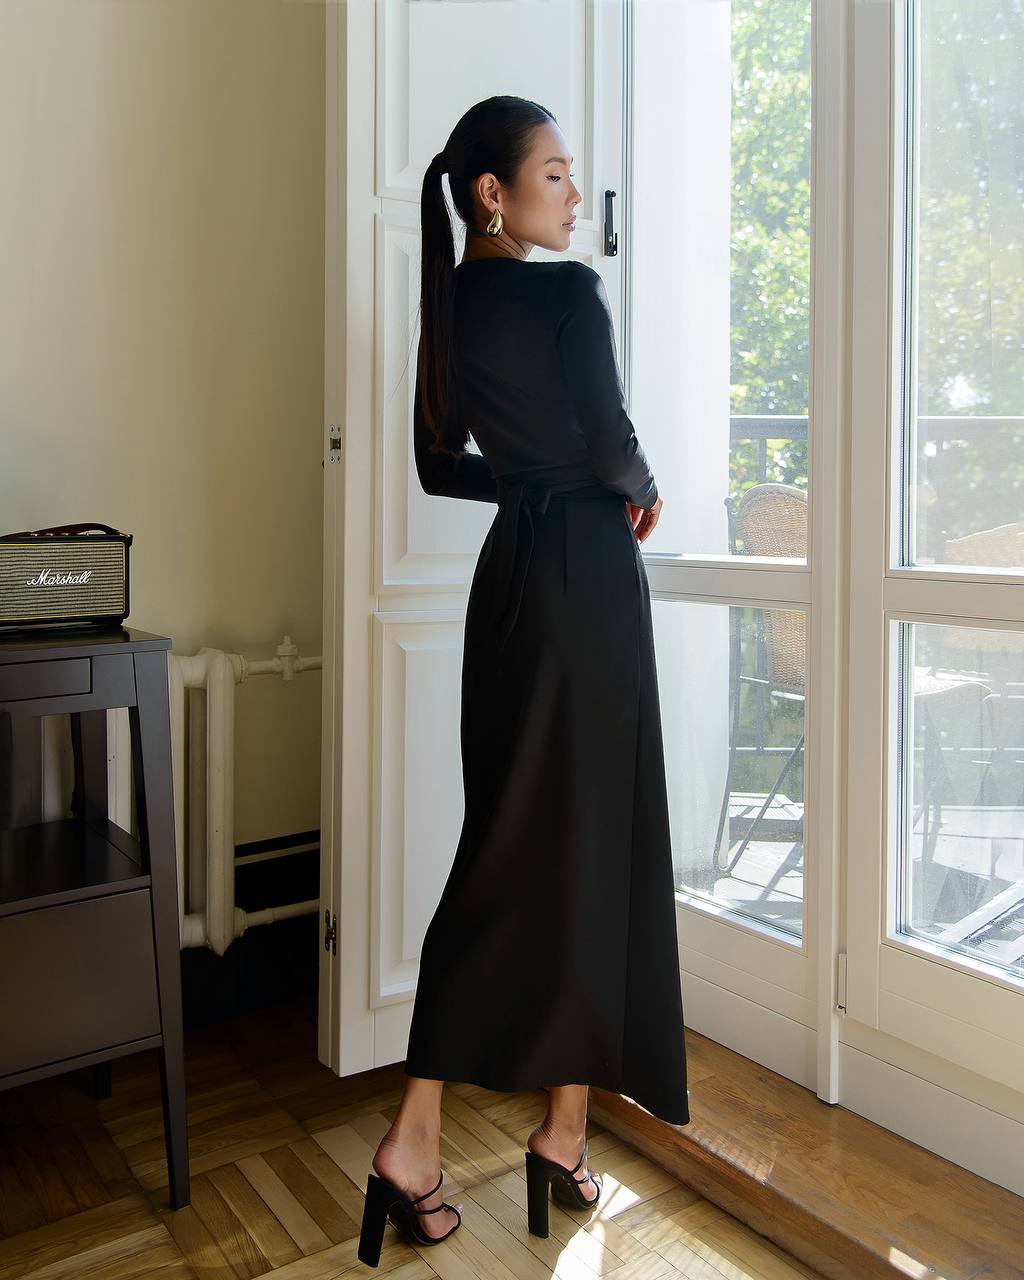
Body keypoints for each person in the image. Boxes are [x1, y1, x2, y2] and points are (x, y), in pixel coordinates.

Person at [357, 95, 689, 1268]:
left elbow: (437, 461)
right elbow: (608, 439)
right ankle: (512, 1134)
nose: (570, 192)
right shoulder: (567, 294)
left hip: (510, 584)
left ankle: (529, 1132)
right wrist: (636, 484)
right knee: (582, 846)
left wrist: (528, 490)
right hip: (587, 583)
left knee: (504, 845)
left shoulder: (453, 303)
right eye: (552, 173)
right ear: (493, 192)